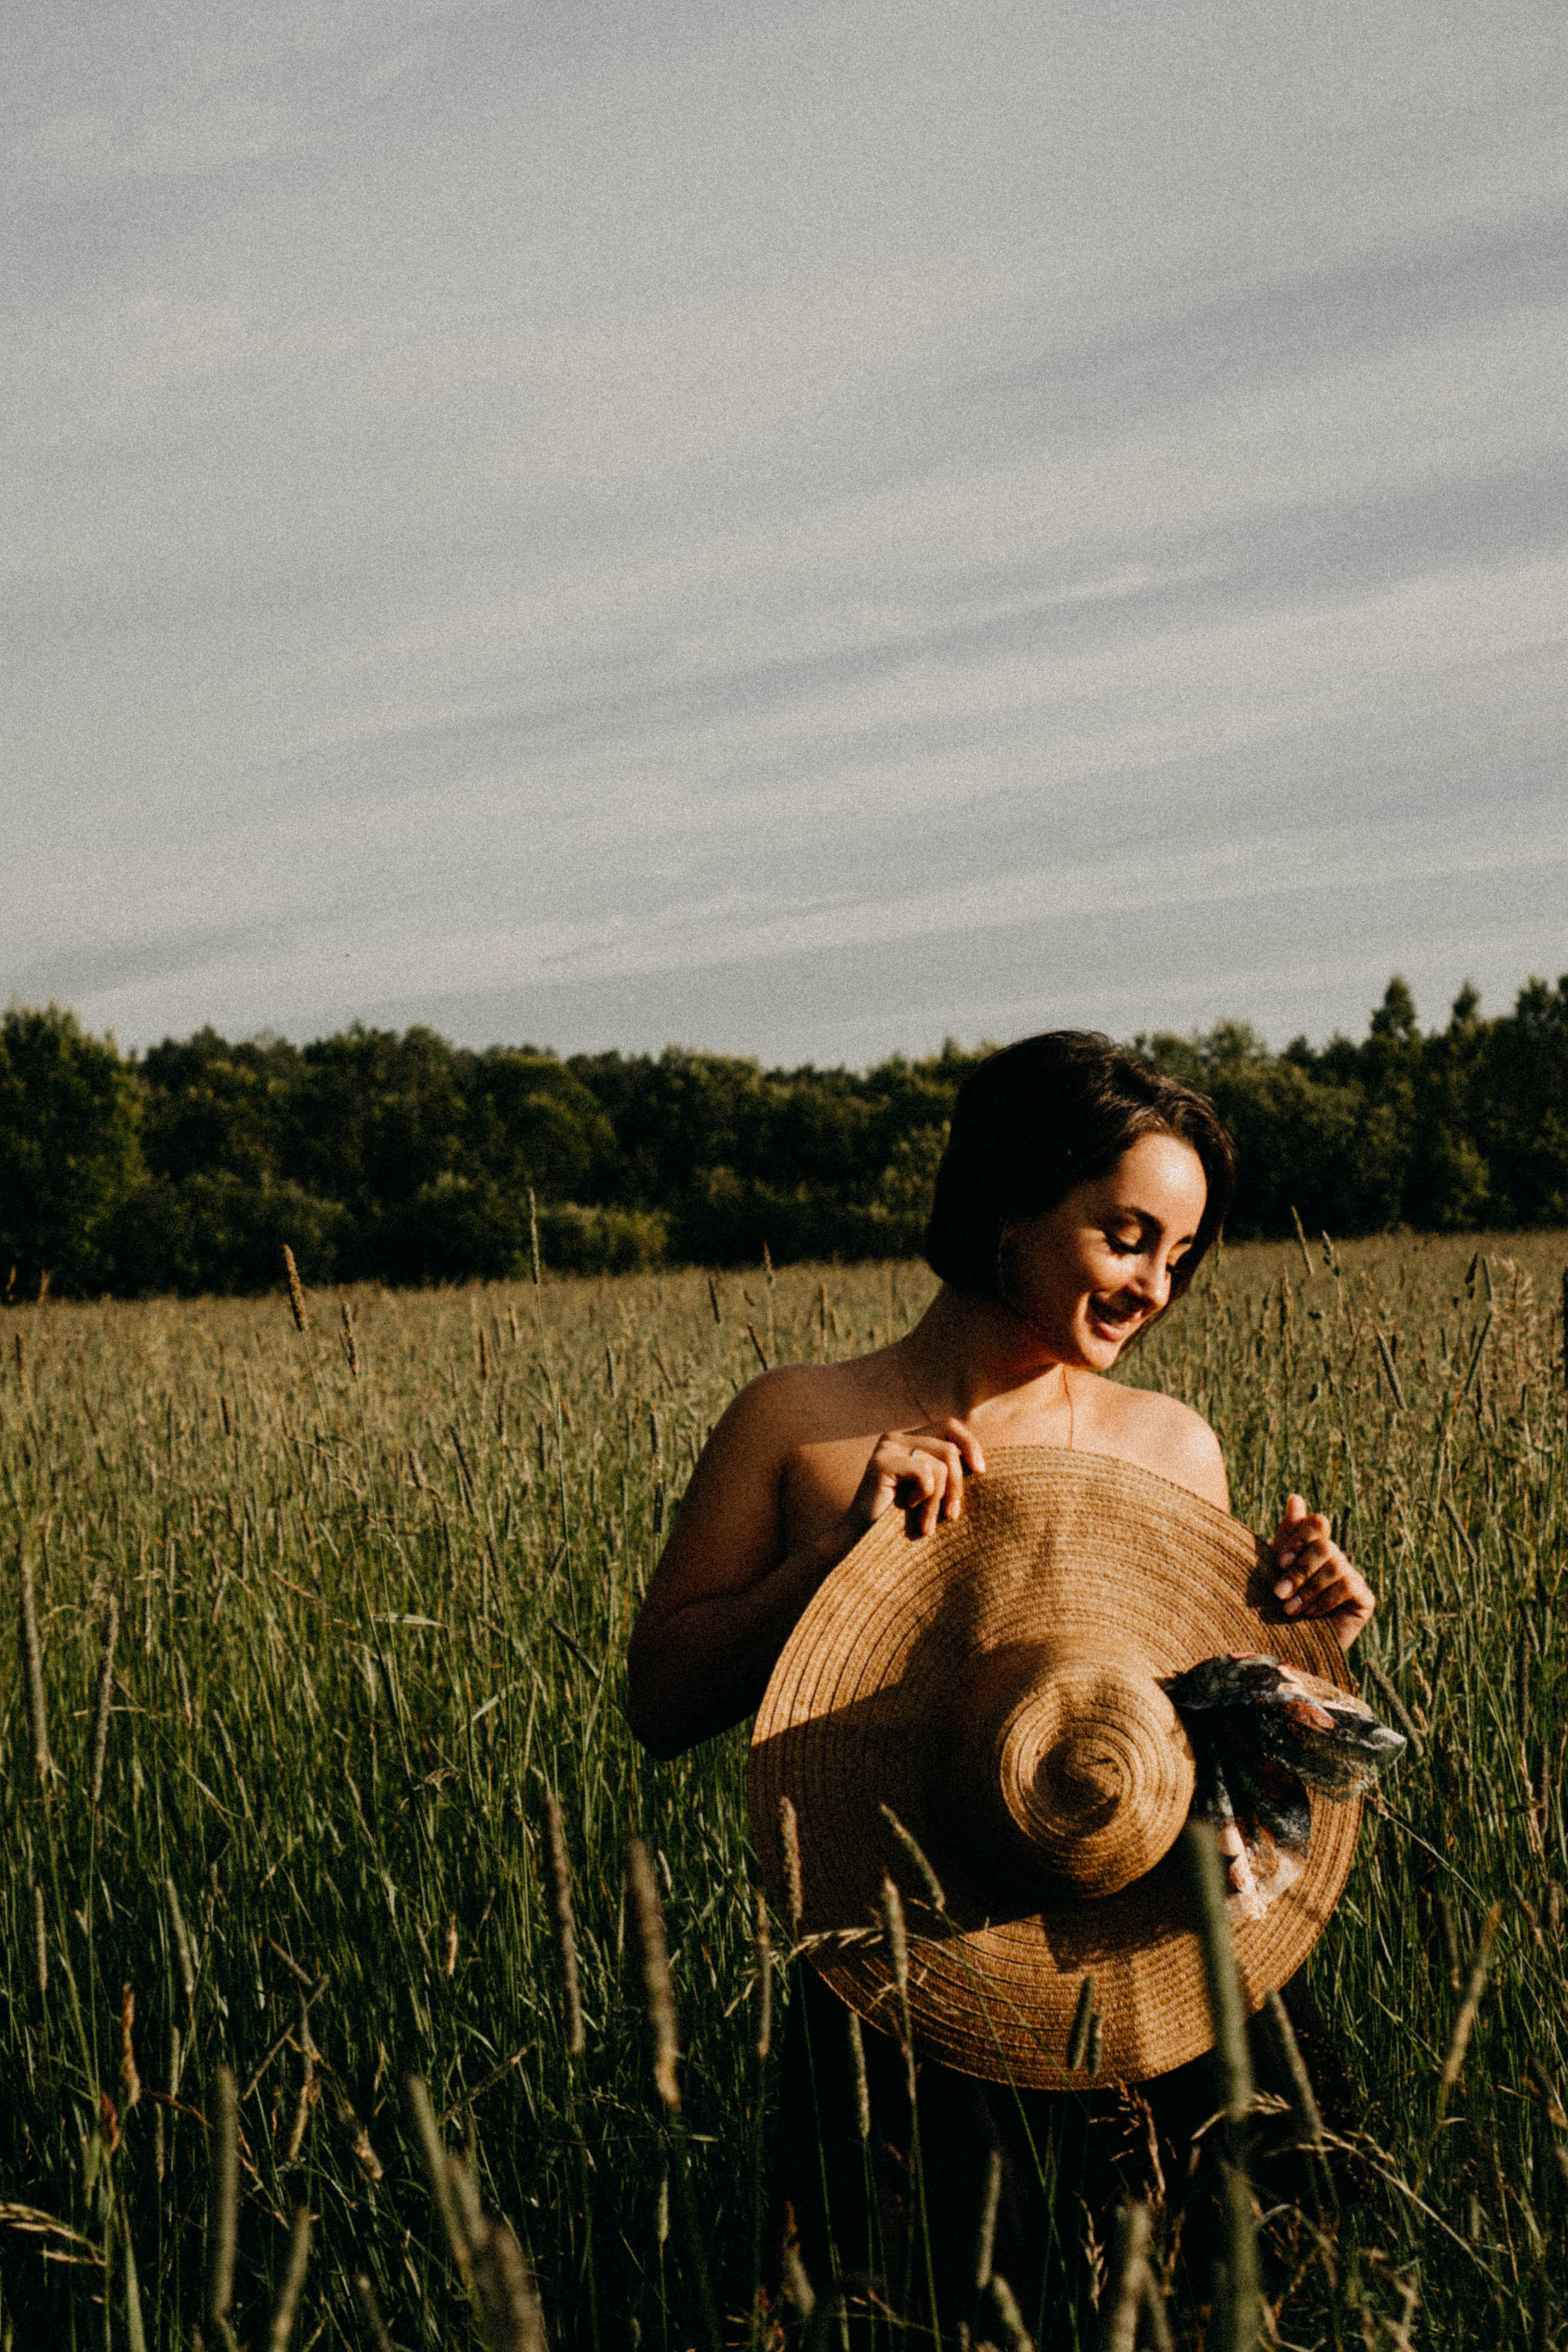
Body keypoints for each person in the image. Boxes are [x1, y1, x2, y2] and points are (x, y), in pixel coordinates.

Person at [627, 1031, 1375, 2323]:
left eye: (1179, 1256)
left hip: (1155, 1961)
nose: (1153, 1285)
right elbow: (661, 1700)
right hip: (905, 1980)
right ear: (1008, 1203)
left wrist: (1311, 1648)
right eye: (1125, 1235)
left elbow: (1203, 1746)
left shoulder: (1170, 1445)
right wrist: (828, 1562)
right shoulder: (799, 1425)